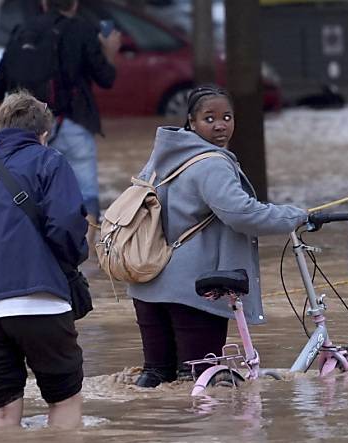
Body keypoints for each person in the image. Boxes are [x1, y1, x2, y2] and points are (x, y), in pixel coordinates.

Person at [129, 85, 309, 388]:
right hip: (195, 291)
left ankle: (152, 434)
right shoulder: (212, 163)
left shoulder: (160, 159)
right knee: (200, 382)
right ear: (191, 122)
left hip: (147, 286)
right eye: (209, 118)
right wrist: (297, 215)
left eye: (227, 117)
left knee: (157, 382)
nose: (220, 124)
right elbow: (242, 214)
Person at [0, 91, 88, 430]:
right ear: (44, 133)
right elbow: (66, 227)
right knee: (64, 401)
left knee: (1, 415)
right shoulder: (50, 161)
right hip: (41, 304)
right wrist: (71, 262)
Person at [0, 0, 120, 241]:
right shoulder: (82, 30)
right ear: (75, 3)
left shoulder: (21, 31)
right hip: (73, 121)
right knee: (85, 195)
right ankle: (86, 260)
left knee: (32, 194)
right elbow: (106, 78)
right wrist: (110, 51)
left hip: (27, 129)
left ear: (44, 2)